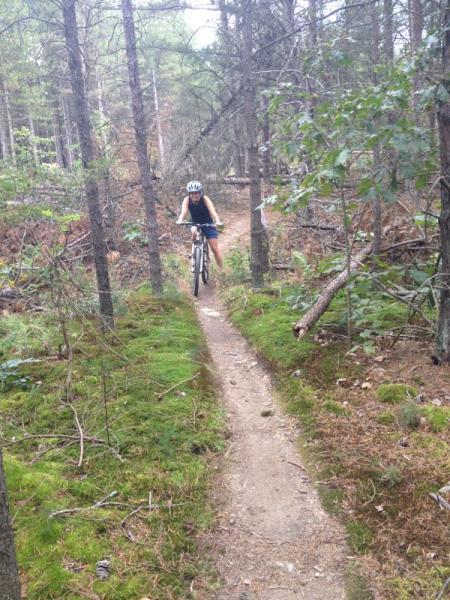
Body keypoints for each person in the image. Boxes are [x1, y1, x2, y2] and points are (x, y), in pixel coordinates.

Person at [176, 180, 224, 268]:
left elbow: (212, 211)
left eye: (197, 193)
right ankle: (194, 252)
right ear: (189, 194)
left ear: (200, 192)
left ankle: (221, 269)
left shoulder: (205, 199)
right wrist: (180, 219)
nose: (194, 195)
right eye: (192, 193)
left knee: (214, 248)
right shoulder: (187, 200)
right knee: (194, 231)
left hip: (208, 223)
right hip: (195, 222)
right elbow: (184, 211)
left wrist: (217, 221)